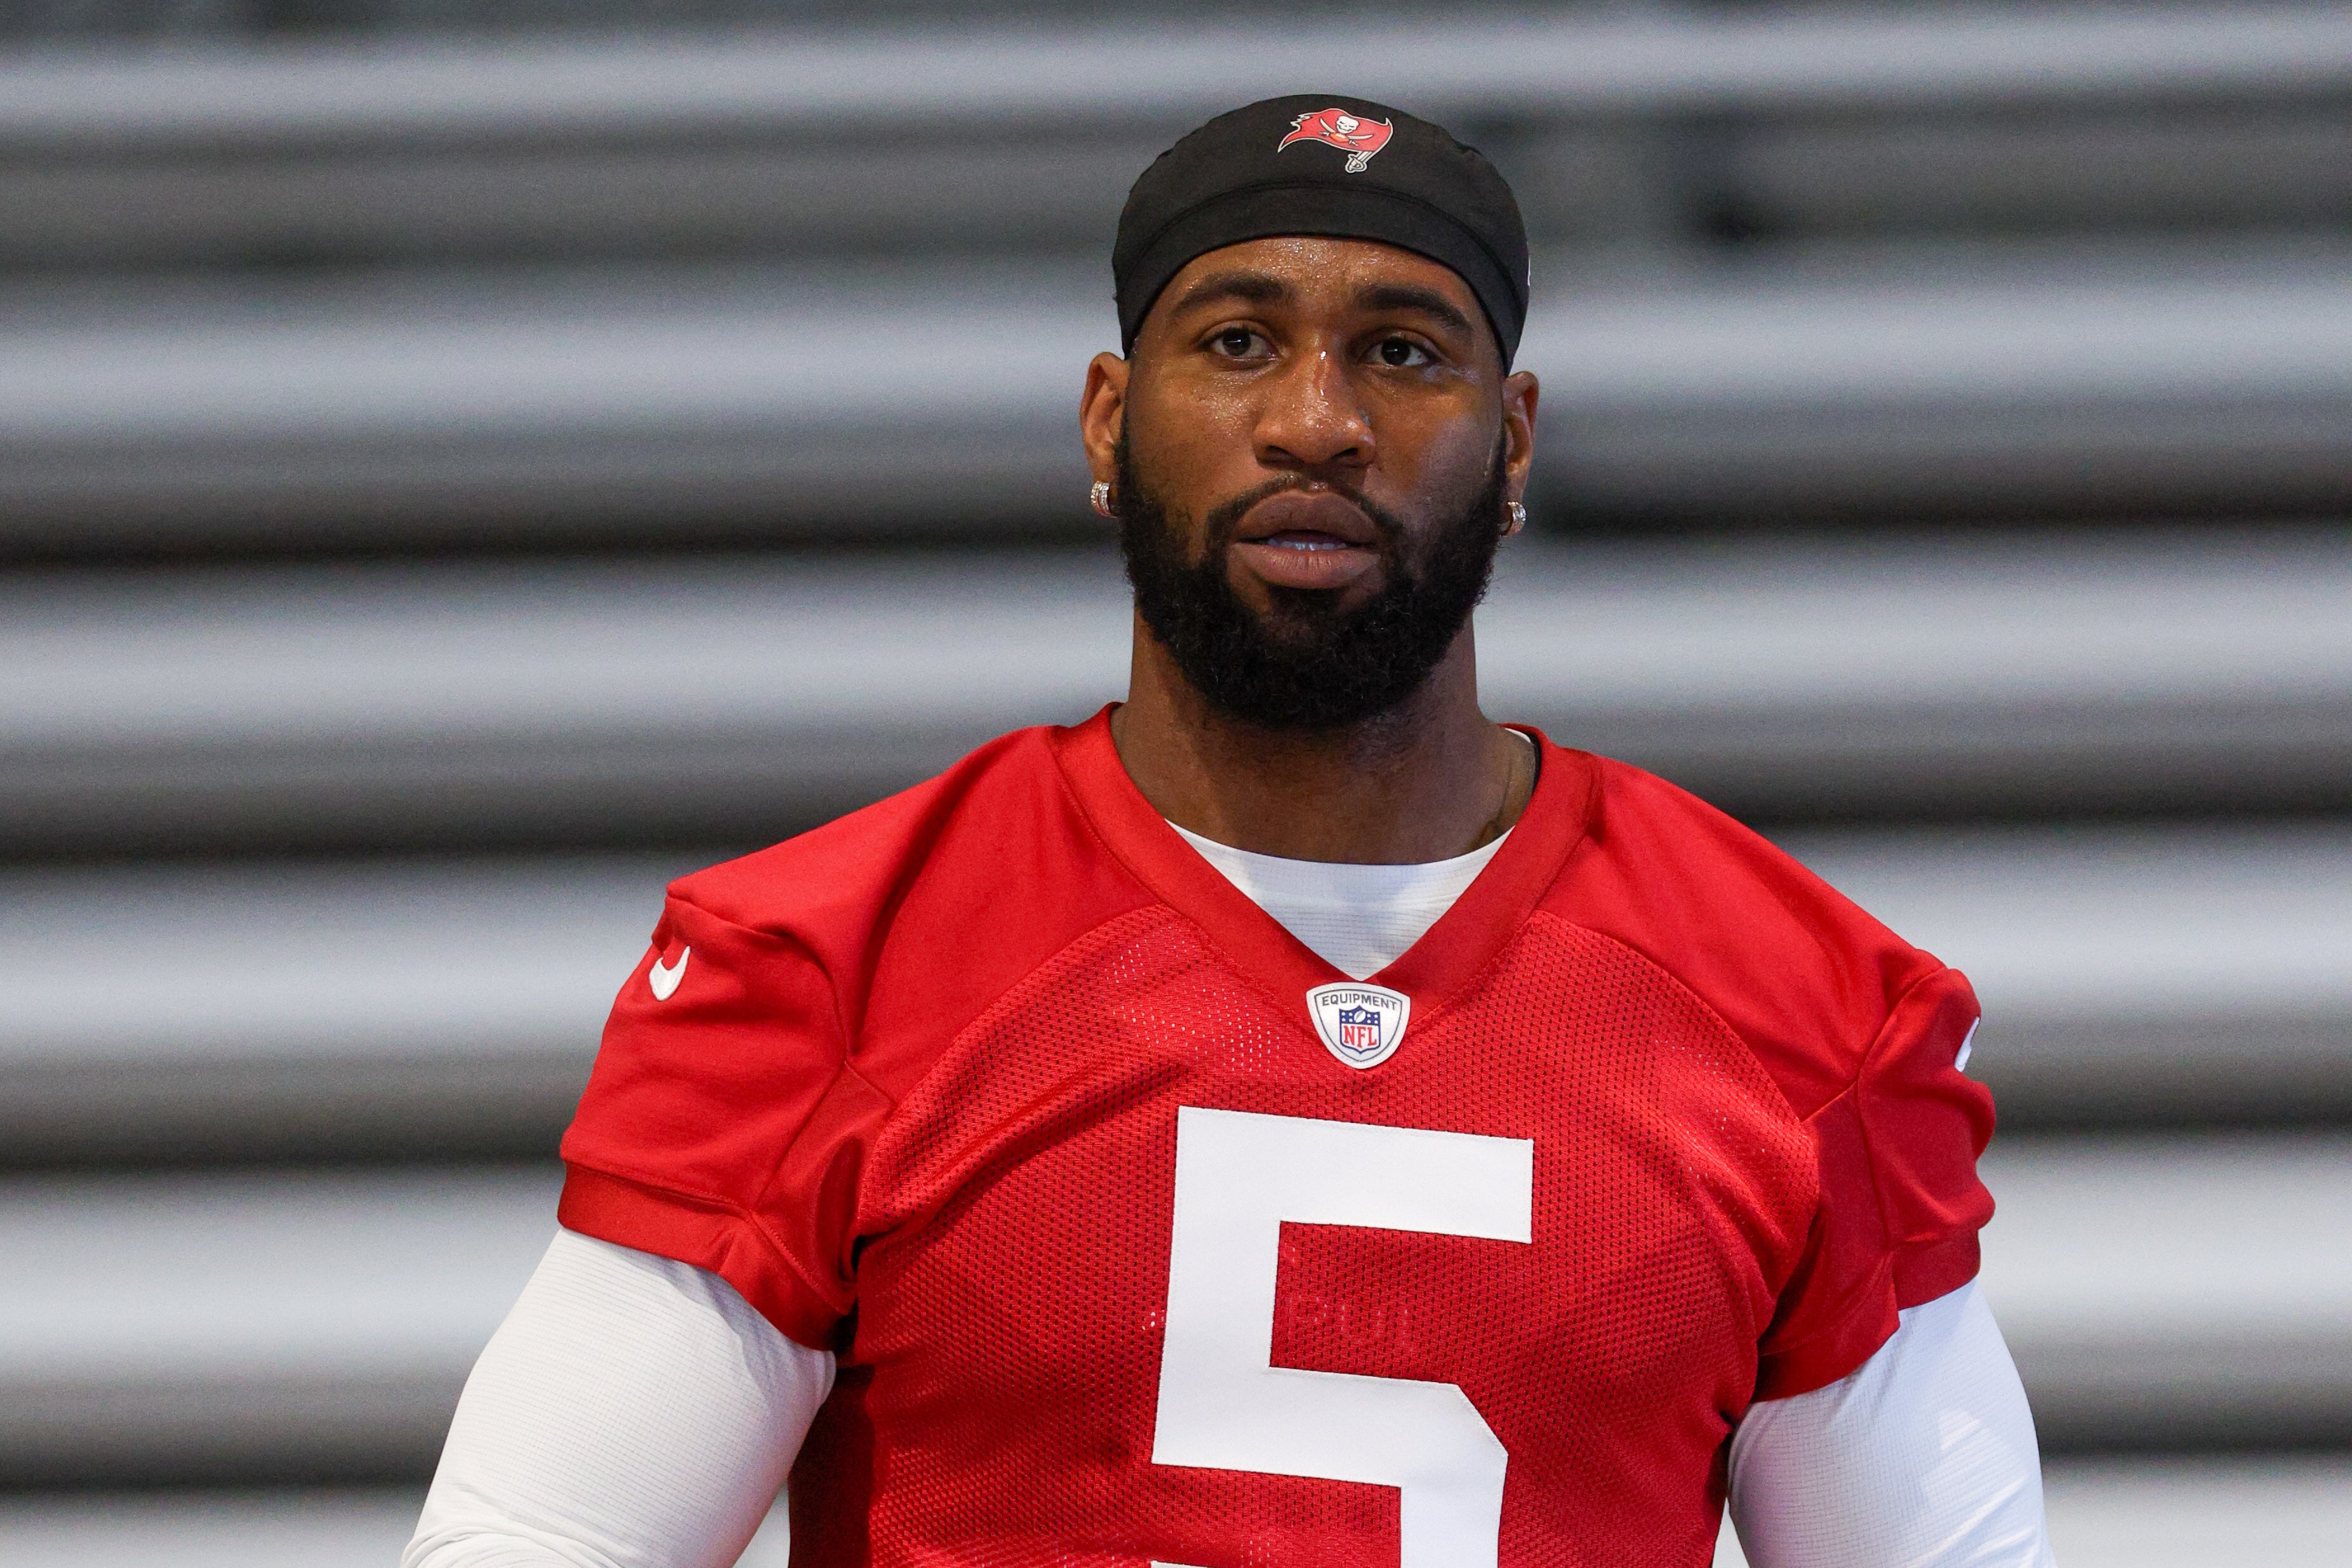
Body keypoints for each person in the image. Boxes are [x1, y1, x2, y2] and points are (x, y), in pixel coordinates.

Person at [406, 96, 2054, 1568]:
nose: (1318, 421)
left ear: (1516, 438)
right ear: (1108, 422)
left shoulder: (1807, 1011)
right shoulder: (830, 965)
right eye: (1239, 343)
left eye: (1402, 350)